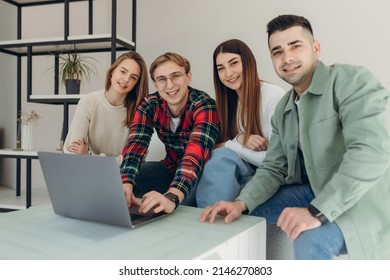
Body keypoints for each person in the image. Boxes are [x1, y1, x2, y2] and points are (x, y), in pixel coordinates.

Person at [200, 14, 390, 260]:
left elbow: (370, 152)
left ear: (316, 48)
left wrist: (316, 211)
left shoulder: (350, 80)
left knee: (310, 239)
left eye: (295, 46)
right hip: (312, 189)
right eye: (278, 51)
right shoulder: (285, 108)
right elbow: (273, 168)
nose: (287, 57)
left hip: (361, 195)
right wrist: (240, 203)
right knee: (234, 214)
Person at [120, 52, 220, 214]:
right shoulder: (149, 105)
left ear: (189, 76)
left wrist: (172, 197)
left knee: (176, 205)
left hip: (199, 172)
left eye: (175, 76)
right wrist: (126, 182)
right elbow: (136, 146)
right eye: (162, 79)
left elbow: (194, 155)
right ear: (155, 83)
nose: (169, 85)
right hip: (170, 167)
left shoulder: (204, 105)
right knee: (120, 181)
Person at [196, 39, 285, 208]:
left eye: (234, 63)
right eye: (221, 68)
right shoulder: (230, 102)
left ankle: (209, 227)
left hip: (269, 173)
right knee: (206, 163)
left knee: (221, 159)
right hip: (244, 169)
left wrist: (235, 144)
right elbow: (215, 146)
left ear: (248, 62)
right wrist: (239, 138)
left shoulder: (273, 96)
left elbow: (276, 162)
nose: (228, 73)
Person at [64, 51, 149, 164]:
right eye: (123, 71)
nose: (126, 79)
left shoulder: (140, 111)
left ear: (136, 84)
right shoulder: (88, 102)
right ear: (112, 71)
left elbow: (135, 159)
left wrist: (88, 156)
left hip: (123, 177)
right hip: (88, 172)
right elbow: (72, 151)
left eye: (133, 77)